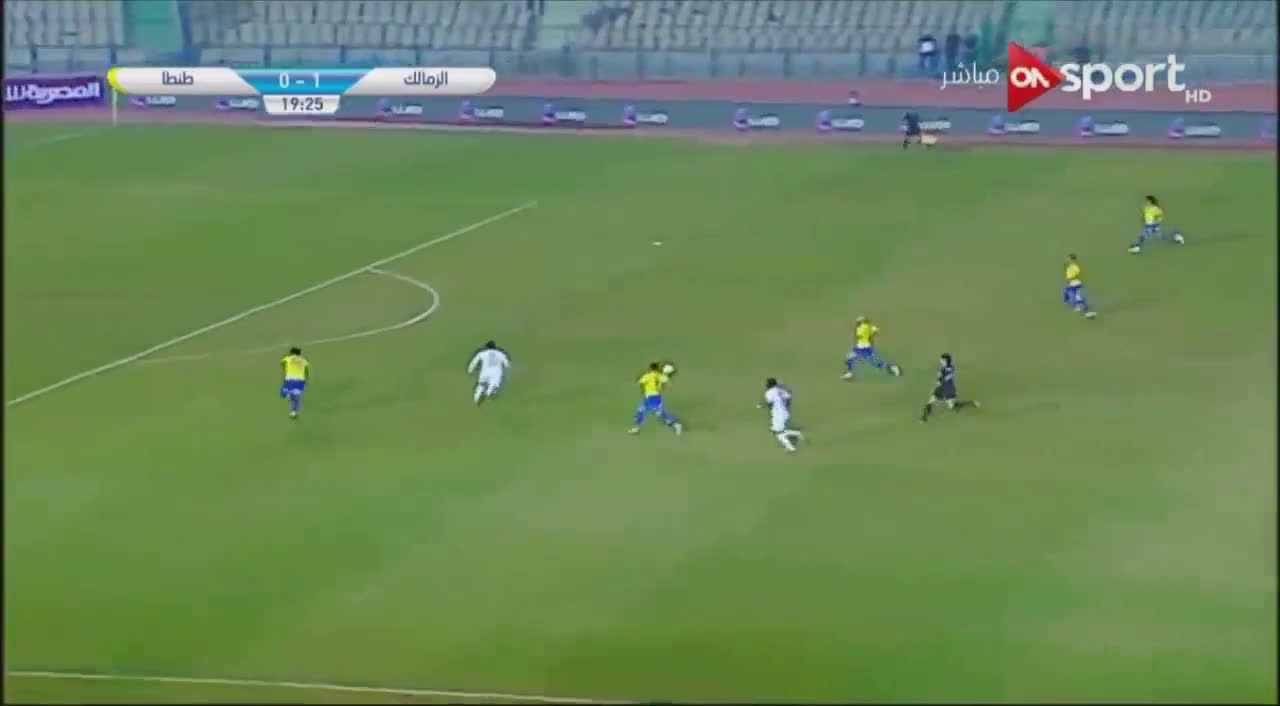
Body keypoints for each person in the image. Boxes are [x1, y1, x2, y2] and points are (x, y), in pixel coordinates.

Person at [920, 353, 980, 422]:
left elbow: (946, 377)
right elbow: (941, 375)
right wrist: (939, 378)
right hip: (942, 388)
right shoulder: (945, 366)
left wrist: (939, 380)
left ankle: (971, 403)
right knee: (930, 402)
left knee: (952, 407)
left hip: (947, 390)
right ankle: (924, 417)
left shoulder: (949, 369)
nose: (940, 361)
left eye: (942, 360)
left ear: (945, 360)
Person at [630, 362, 683, 435]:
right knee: (640, 410)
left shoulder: (648, 375)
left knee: (660, 414)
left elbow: (639, 382)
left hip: (653, 398)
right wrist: (665, 377)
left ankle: (676, 425)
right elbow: (667, 383)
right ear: (657, 368)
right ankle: (636, 429)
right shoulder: (660, 375)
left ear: (650, 368)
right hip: (651, 397)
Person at [759, 378, 805, 452]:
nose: (766, 384)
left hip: (778, 414)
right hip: (784, 413)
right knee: (778, 431)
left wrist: (761, 405)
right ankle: (796, 435)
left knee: (778, 433)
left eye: (767, 383)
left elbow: (769, 403)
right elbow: (789, 396)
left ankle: (791, 447)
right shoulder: (780, 390)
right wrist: (786, 406)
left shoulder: (769, 392)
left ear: (769, 384)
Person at [467, 340, 511, 404]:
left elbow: (474, 362)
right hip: (496, 374)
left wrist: (470, 370)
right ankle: (489, 391)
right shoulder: (500, 354)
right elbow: (507, 364)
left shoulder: (482, 353)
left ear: (487, 347)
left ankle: (476, 399)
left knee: (481, 384)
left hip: (485, 372)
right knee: (493, 385)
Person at [1063, 254, 1098, 319]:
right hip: (1072, 284)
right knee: (1067, 296)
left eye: (1068, 259)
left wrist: (1071, 278)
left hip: (1075, 284)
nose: (1067, 260)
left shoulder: (1075, 267)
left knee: (1078, 299)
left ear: (1072, 260)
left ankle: (1088, 312)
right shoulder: (1069, 266)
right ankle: (1080, 307)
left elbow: (1075, 274)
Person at [279, 347, 309, 419]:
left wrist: (284, 369)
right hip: (300, 380)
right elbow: (306, 370)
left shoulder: (288, 358)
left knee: (282, 391)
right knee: (297, 397)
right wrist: (306, 379)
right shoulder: (303, 360)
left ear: (292, 353)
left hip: (290, 378)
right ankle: (293, 412)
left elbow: (282, 362)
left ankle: (288, 395)